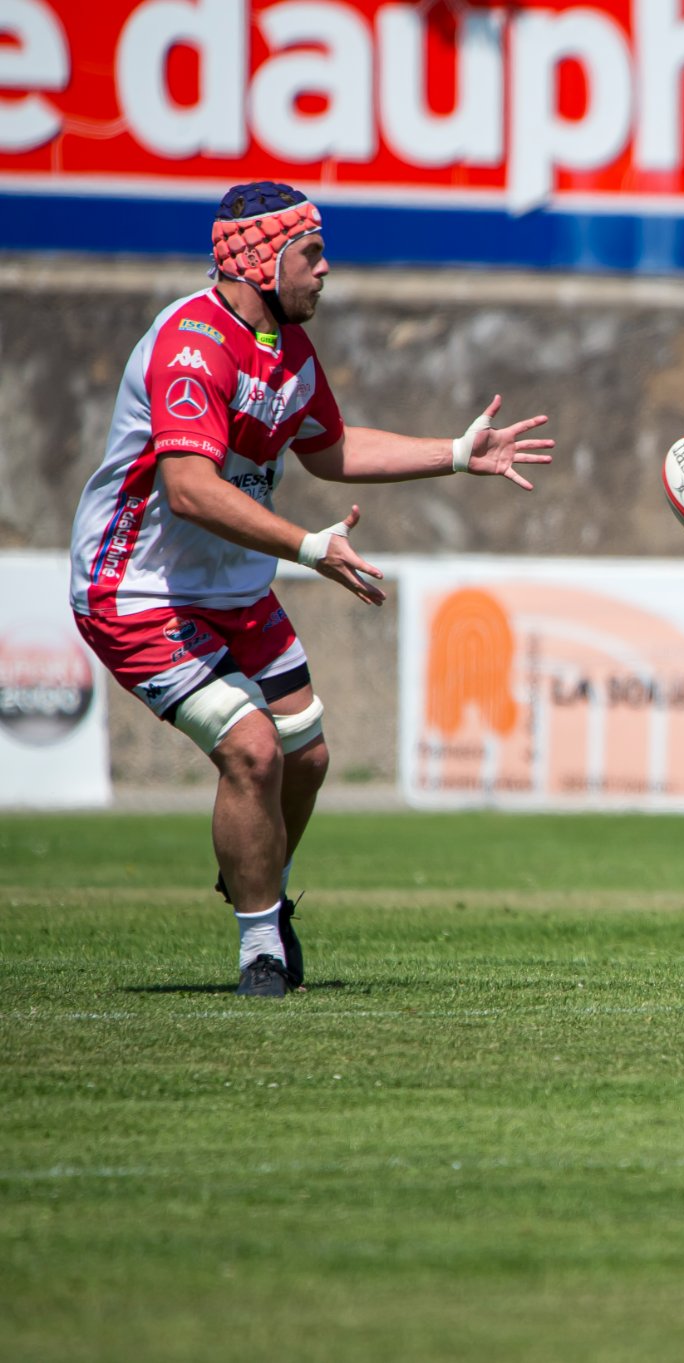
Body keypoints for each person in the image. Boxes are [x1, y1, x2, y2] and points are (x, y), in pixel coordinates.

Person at [68, 181, 553, 998]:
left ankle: (258, 876)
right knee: (252, 750)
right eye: (312, 254)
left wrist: (458, 452)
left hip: (232, 587)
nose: (326, 271)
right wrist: (307, 545)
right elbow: (187, 487)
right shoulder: (193, 346)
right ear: (261, 259)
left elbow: (328, 449)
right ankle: (262, 943)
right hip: (138, 589)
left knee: (309, 754)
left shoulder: (285, 349)